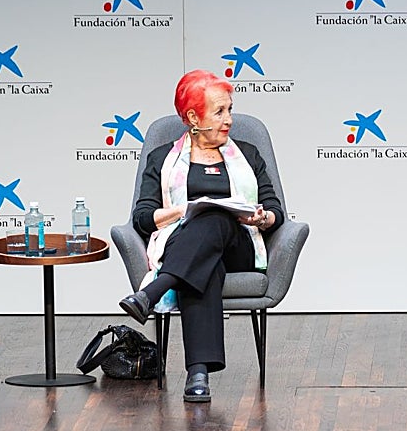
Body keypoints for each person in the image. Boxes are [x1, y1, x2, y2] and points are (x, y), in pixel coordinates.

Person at [118, 69, 285, 402]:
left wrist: (263, 216)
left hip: (240, 244)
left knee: (216, 220)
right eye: (219, 112)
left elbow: (275, 210)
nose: (229, 120)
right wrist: (185, 210)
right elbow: (142, 218)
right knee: (203, 259)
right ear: (193, 117)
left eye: (230, 110)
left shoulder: (248, 155)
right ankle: (198, 374)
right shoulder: (162, 158)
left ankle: (155, 290)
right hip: (187, 245)